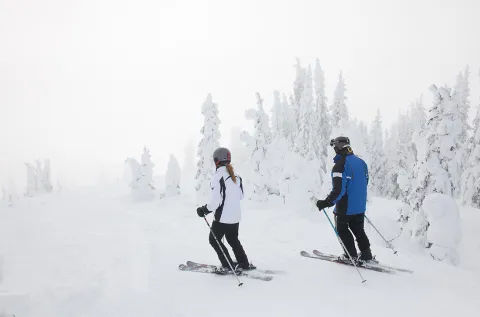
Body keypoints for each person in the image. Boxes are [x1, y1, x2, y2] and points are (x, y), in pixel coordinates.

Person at [314, 136, 373, 262]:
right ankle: (366, 254)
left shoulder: (340, 166)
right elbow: (365, 182)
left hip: (345, 207)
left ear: (338, 148)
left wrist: (326, 203)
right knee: (358, 229)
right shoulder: (362, 163)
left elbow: (338, 190)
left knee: (342, 230)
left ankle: (350, 255)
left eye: (335, 147)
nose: (334, 149)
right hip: (360, 205)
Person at [196, 147, 254, 272]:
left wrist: (204, 210)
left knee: (214, 240)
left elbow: (216, 201)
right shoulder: (237, 176)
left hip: (222, 218)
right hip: (235, 217)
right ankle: (243, 263)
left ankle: (227, 264)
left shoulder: (218, 177)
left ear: (216, 161)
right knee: (233, 239)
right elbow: (241, 196)